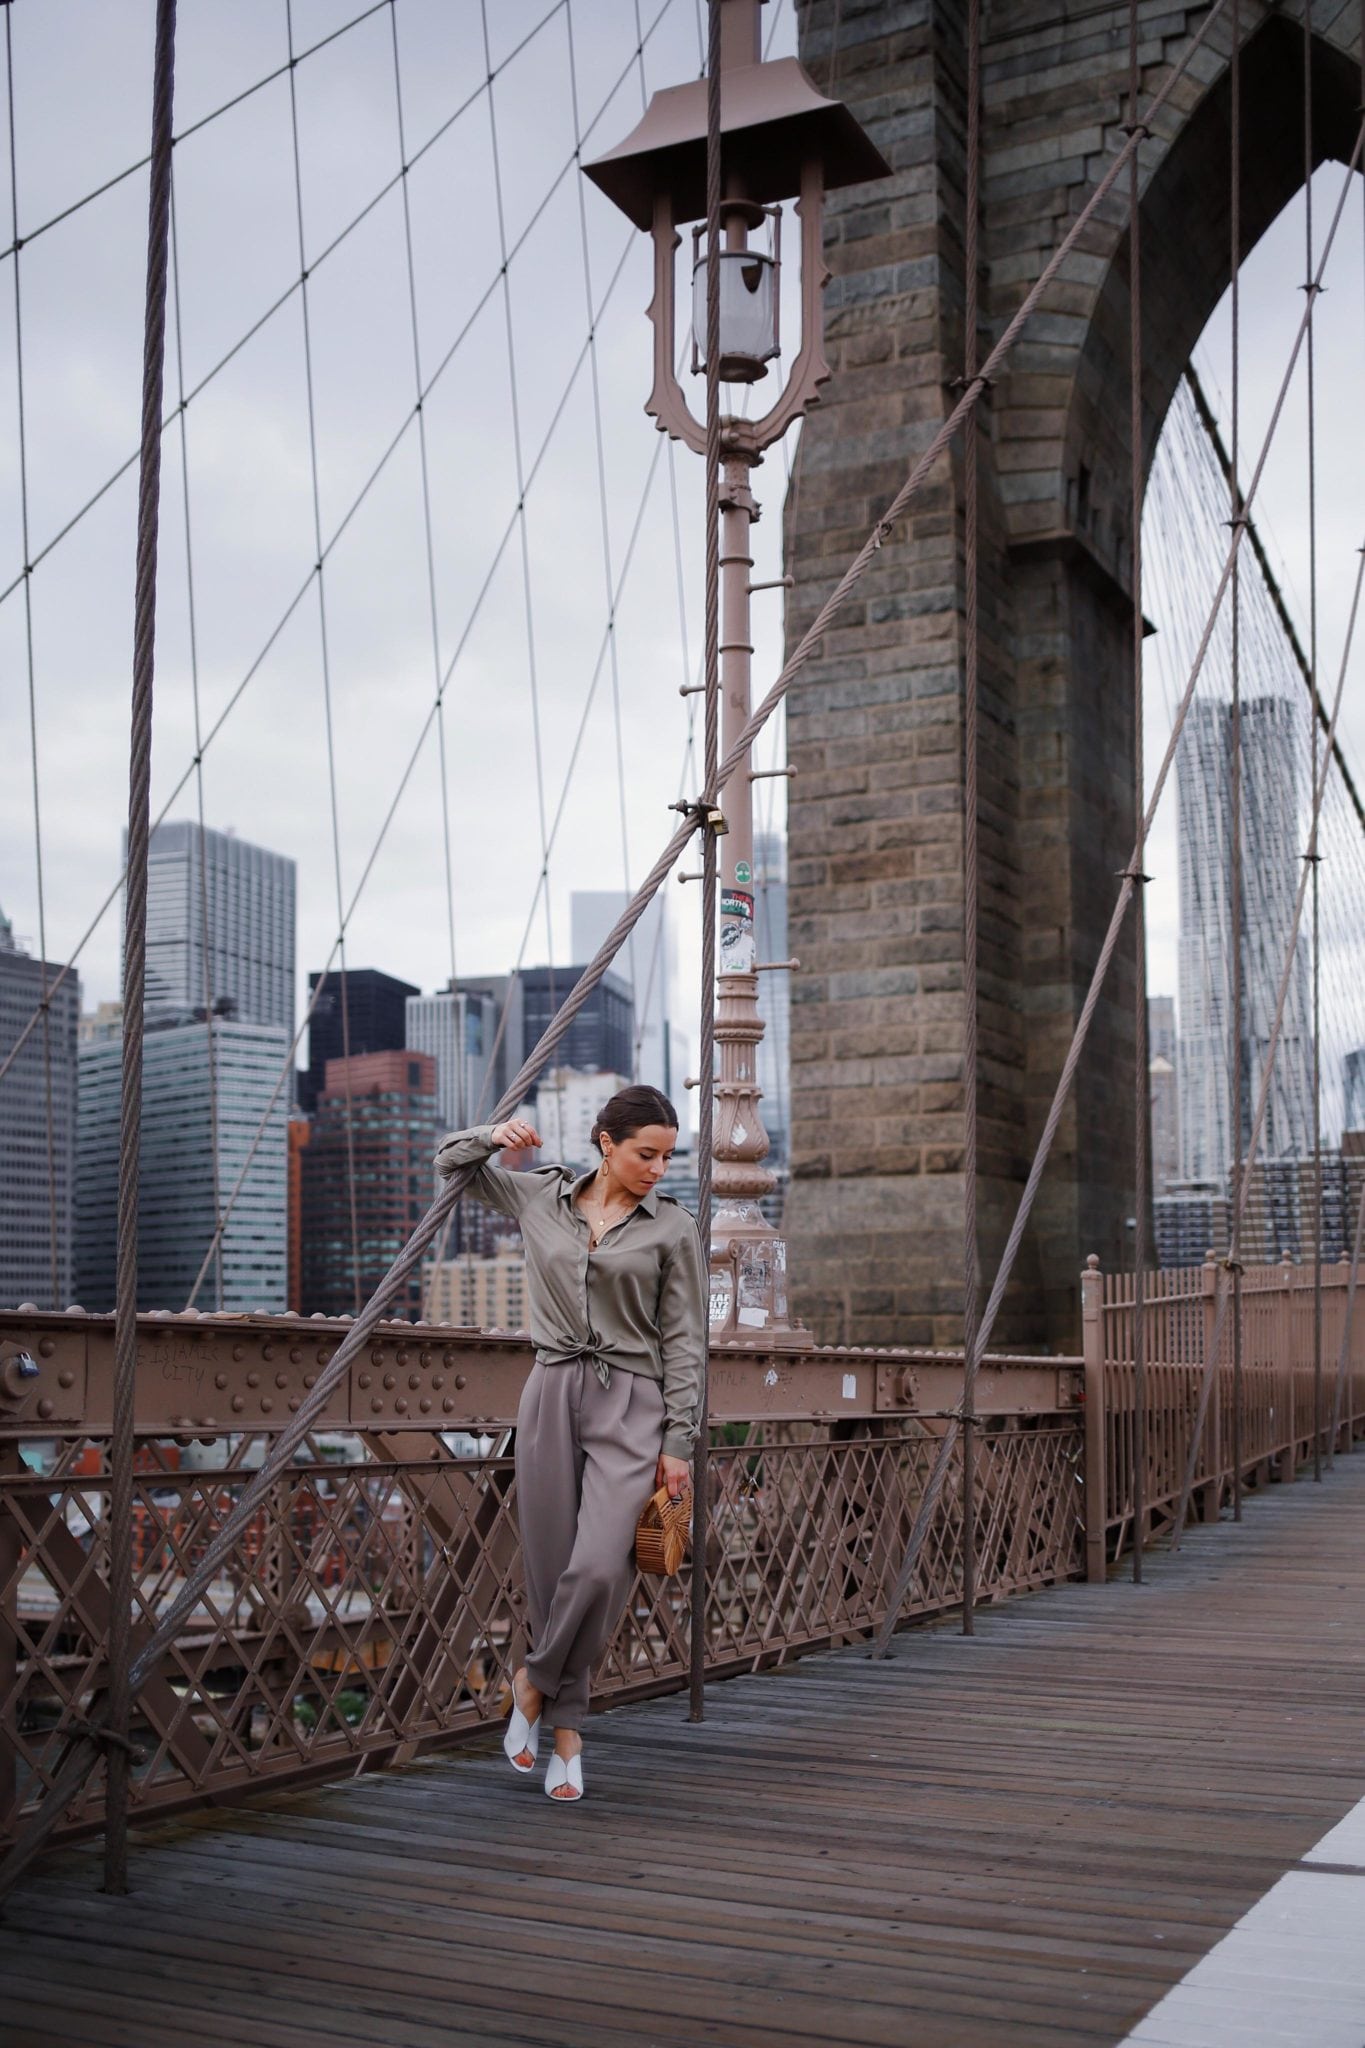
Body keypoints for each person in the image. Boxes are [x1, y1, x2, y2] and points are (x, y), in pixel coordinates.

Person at [434, 1084, 706, 1803]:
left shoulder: (672, 1228)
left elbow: (685, 1342)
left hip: (632, 1404)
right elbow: (447, 1165)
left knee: (598, 1570)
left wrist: (679, 1439)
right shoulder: (538, 1197)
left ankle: (530, 1683)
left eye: (667, 1157)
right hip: (551, 1391)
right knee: (552, 1573)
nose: (658, 1168)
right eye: (645, 1154)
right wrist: (493, 1135)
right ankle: (568, 1739)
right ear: (605, 1144)